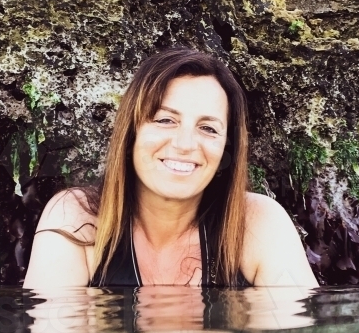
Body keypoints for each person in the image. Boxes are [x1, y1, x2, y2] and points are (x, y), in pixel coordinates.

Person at [23, 48, 318, 291]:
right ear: (131, 134)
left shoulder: (258, 223)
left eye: (208, 128)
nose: (186, 144)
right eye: (165, 120)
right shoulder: (77, 218)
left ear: (227, 149)